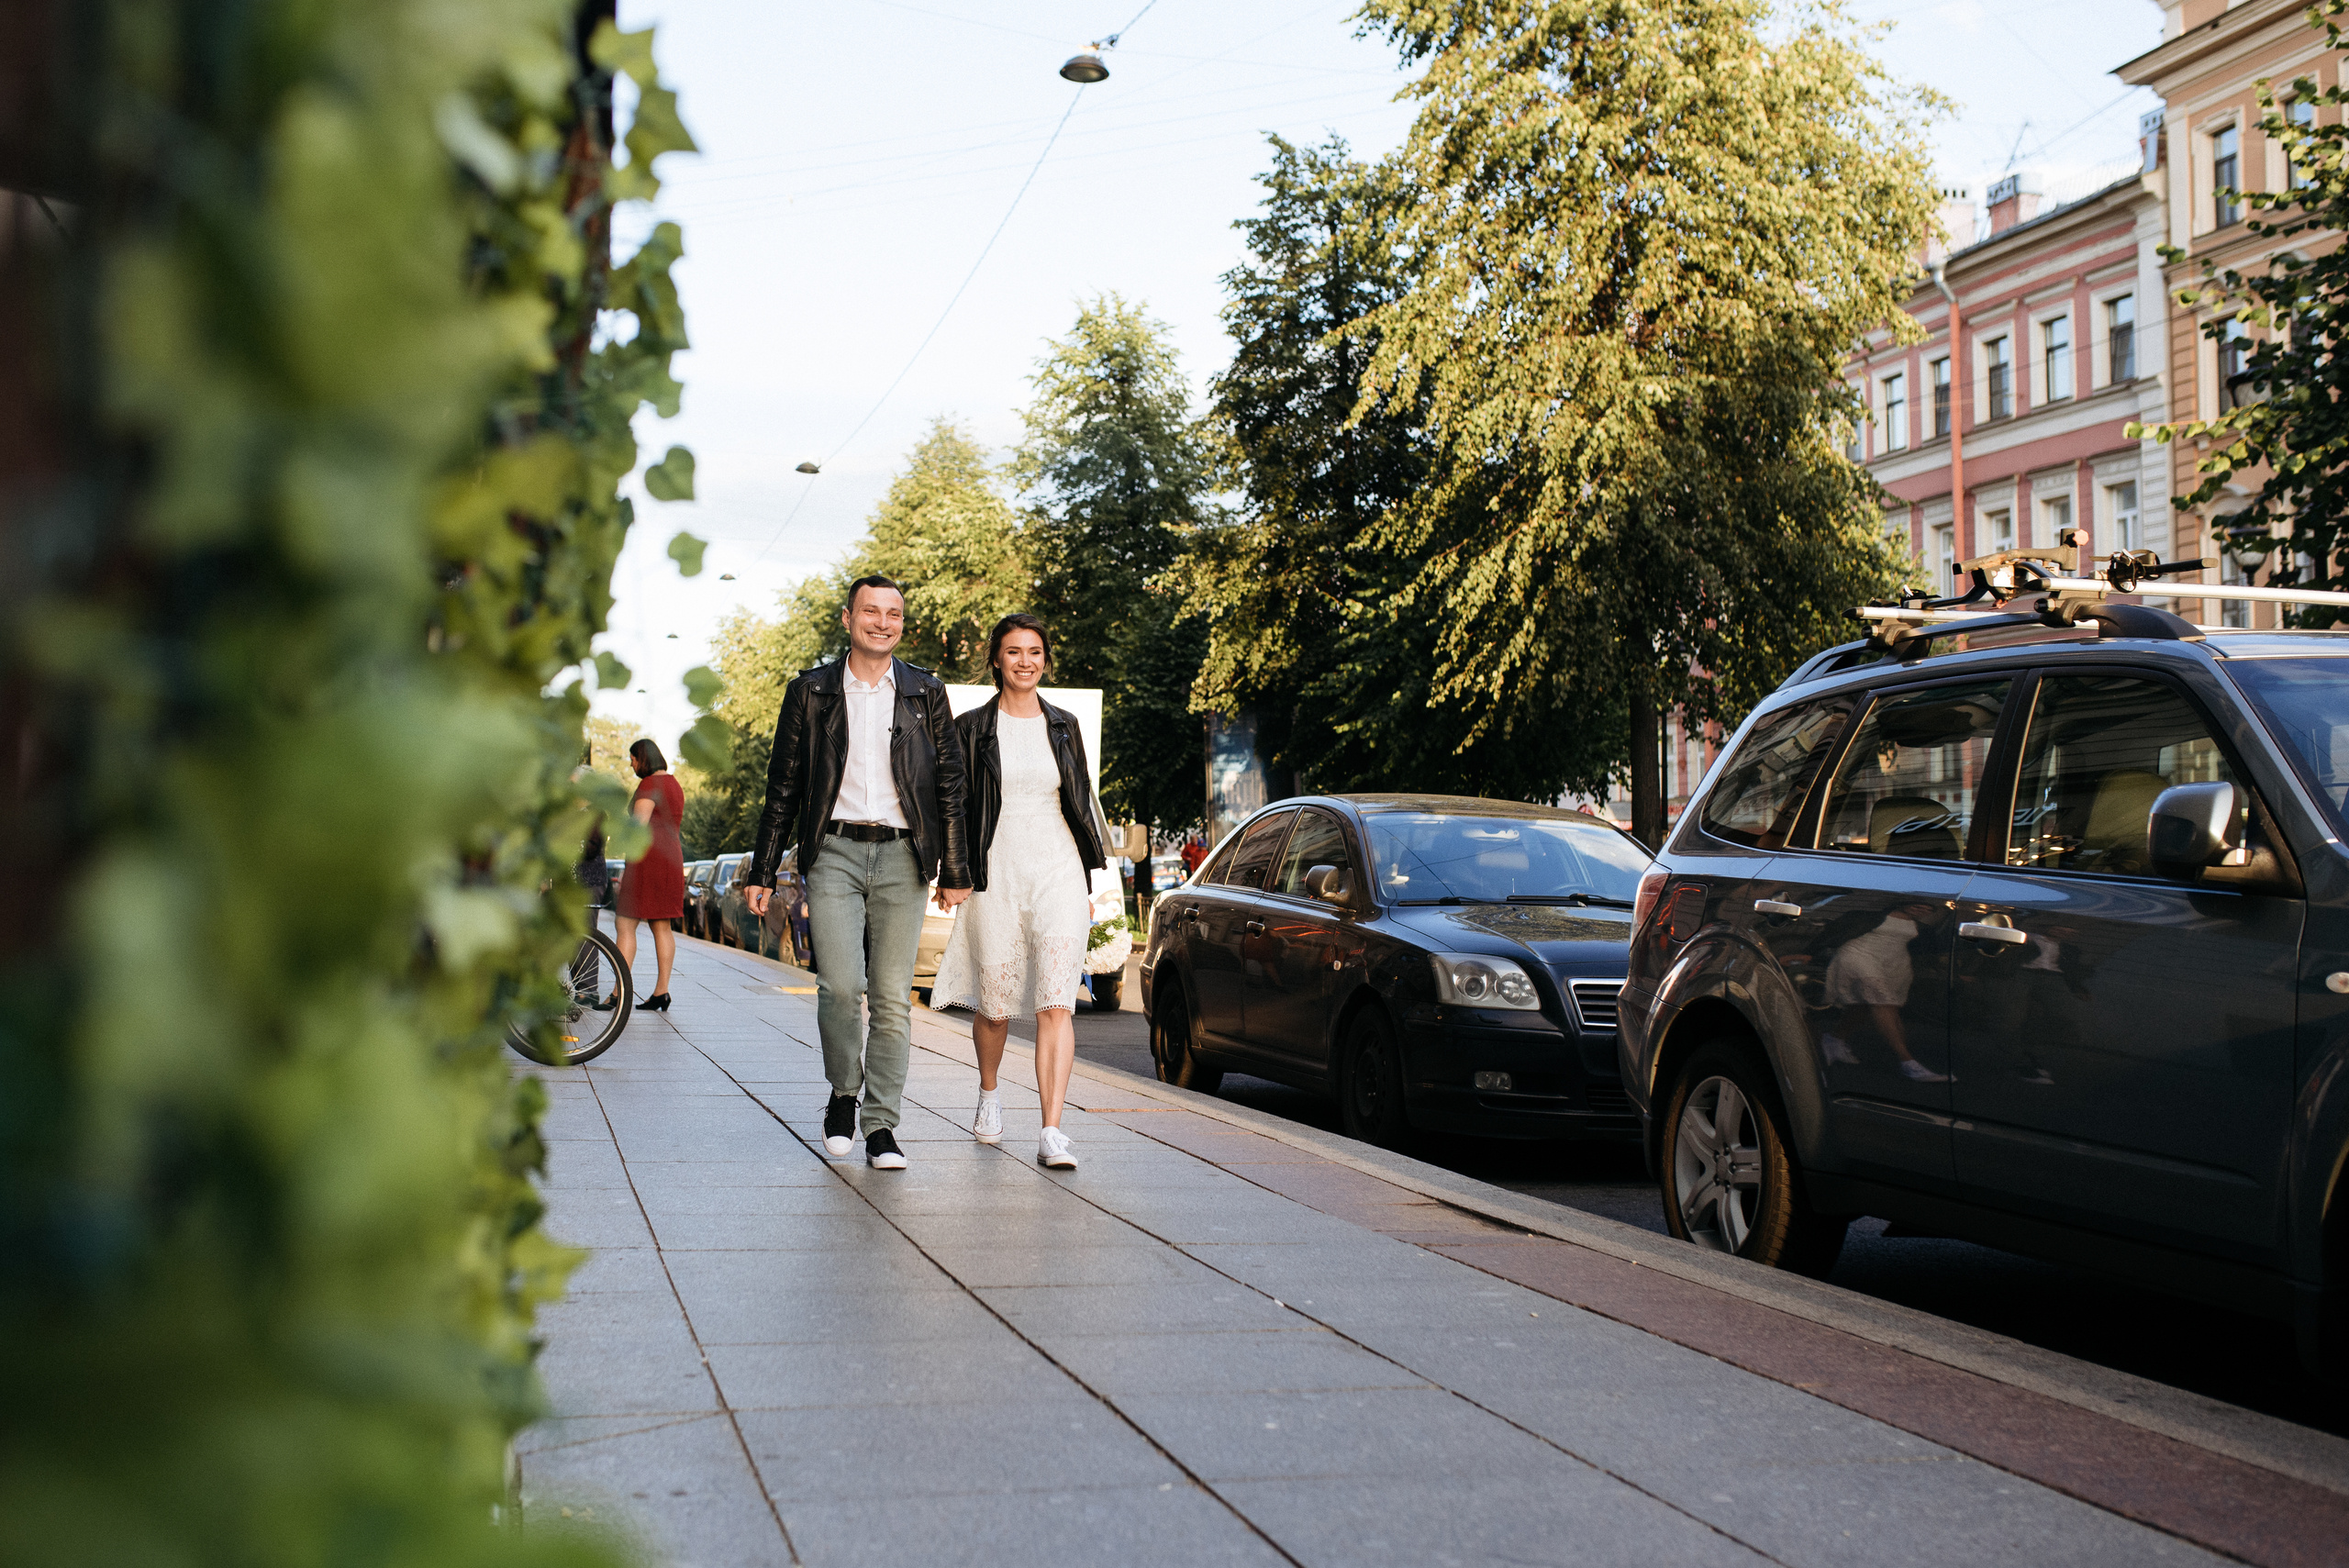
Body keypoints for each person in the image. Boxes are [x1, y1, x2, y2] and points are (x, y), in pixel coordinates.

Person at [746, 575, 973, 1170]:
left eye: (893, 613)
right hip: (835, 851)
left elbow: (950, 782)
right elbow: (784, 786)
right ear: (848, 618)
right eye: (870, 611)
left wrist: (956, 866)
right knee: (842, 987)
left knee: (894, 998)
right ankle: (844, 1093)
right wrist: (762, 868)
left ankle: (881, 1126)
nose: (882, 621)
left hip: (904, 855)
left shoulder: (927, 692)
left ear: (903, 623)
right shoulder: (811, 691)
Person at [931, 613, 1108, 1170]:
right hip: (996, 870)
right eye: (1014, 652)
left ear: (1045, 659)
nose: (1025, 661)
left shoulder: (1064, 725)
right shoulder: (971, 728)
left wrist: (1087, 880)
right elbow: (954, 807)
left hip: (1056, 867)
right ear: (996, 659)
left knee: (1058, 1001)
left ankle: (1052, 1130)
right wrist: (954, 873)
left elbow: (1079, 802)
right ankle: (989, 1096)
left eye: (1034, 651)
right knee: (997, 1003)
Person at [615, 738, 684, 1013]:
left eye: (632, 758)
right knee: (661, 925)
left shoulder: (648, 785)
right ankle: (661, 992)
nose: (631, 763)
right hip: (671, 859)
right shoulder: (674, 784)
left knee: (624, 924)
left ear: (643, 758)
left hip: (647, 860)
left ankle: (619, 992)